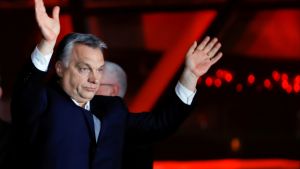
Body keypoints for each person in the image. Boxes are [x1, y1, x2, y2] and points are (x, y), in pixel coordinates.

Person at [8, 0, 222, 169]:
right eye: (84, 69)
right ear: (60, 68)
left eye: (99, 70)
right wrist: (46, 44)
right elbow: (25, 91)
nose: (94, 79)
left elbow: (161, 124)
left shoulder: (112, 109)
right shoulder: (43, 102)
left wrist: (190, 76)